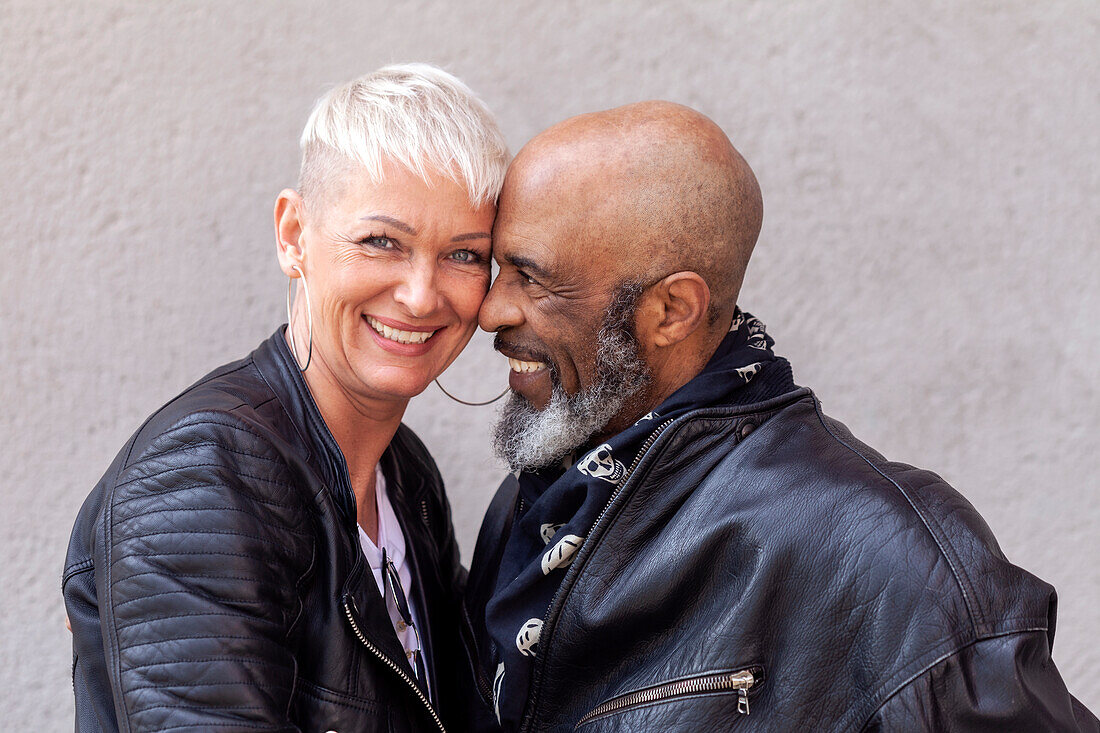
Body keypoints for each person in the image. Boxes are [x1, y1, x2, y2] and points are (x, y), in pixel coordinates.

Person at [464, 101, 1098, 732]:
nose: (490, 311)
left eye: (532, 278)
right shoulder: (541, 501)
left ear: (672, 311)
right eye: (497, 269)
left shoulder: (896, 565)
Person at [63, 63, 508, 732]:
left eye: (465, 254)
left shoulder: (405, 474)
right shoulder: (202, 475)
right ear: (293, 234)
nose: (422, 294)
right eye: (381, 241)